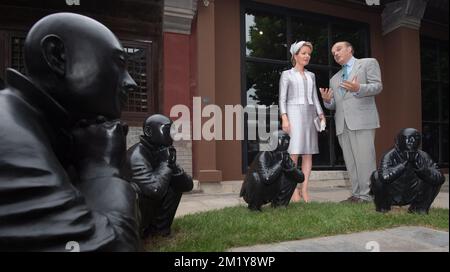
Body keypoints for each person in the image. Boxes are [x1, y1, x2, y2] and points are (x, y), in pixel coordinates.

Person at [0, 13, 141, 251]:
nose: (131, 82)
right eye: (118, 64)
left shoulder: (54, 130)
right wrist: (103, 168)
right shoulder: (10, 135)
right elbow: (113, 246)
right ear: (57, 56)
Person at [319, 41, 383, 203]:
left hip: (362, 120)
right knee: (351, 160)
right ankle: (356, 194)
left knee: (365, 159)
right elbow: (335, 105)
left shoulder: (368, 63)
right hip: (342, 124)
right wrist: (327, 101)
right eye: (333, 53)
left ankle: (368, 195)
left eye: (338, 49)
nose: (336, 54)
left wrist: (358, 88)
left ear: (350, 49)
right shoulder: (334, 79)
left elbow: (377, 86)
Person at [124, 114, 193, 238]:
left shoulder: (161, 152)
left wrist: (174, 166)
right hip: (131, 217)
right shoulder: (136, 156)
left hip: (148, 207)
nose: (172, 134)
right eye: (167, 129)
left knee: (175, 184)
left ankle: (158, 232)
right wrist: (166, 163)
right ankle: (140, 234)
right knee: (137, 191)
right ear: (149, 131)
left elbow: (187, 186)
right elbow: (154, 190)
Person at [279, 41, 325, 203]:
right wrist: (284, 117)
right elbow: (282, 98)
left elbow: (314, 98)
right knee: (294, 153)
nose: (307, 56)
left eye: (309, 53)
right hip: (293, 113)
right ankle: (292, 190)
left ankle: (304, 189)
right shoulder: (287, 74)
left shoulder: (311, 75)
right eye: (304, 53)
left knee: (308, 153)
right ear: (295, 55)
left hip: (309, 114)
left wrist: (321, 114)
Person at [370, 128, 445, 214]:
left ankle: (419, 208)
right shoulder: (389, 155)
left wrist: (421, 169)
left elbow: (440, 177)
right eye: (407, 138)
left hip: (414, 192)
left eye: (416, 138)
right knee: (376, 176)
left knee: (434, 177)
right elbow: (384, 177)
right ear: (398, 141)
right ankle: (383, 207)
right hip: (393, 193)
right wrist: (403, 165)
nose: (412, 141)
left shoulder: (423, 156)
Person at [240, 130, 304, 211]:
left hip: (272, 188)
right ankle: (254, 207)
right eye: (282, 140)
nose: (285, 143)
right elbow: (266, 178)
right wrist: (280, 162)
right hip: (253, 191)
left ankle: (279, 205)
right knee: (256, 177)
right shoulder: (263, 155)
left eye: (287, 140)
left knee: (292, 175)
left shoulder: (284, 156)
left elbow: (300, 178)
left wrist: (291, 168)